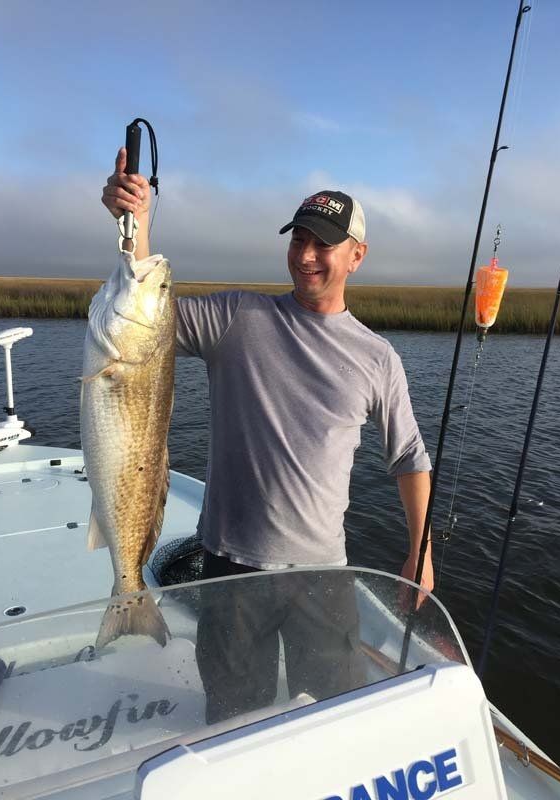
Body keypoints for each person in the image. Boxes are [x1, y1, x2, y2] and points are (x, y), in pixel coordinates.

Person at [102, 149, 433, 719]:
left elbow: (408, 457)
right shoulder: (237, 318)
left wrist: (419, 550)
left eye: (321, 244)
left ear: (357, 256)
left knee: (335, 714)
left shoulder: (379, 358)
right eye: (297, 240)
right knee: (233, 715)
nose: (305, 256)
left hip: (323, 573)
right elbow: (139, 315)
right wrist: (136, 225)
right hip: (231, 570)